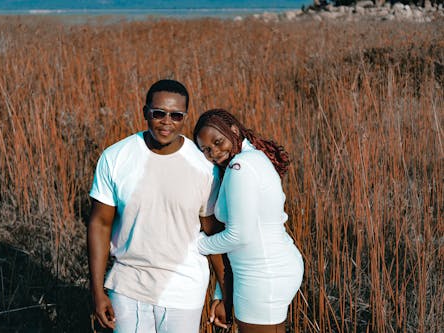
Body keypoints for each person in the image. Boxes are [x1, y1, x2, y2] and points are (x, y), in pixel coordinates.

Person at [87, 79, 224, 333]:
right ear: (145, 112)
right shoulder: (116, 157)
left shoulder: (204, 167)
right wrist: (97, 291)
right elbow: (99, 224)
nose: (166, 121)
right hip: (127, 286)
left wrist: (224, 293)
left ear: (185, 117)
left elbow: (213, 234)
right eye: (158, 113)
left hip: (184, 289)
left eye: (176, 115)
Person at [193, 109, 304, 333]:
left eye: (218, 142)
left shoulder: (240, 167)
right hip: (261, 270)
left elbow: (239, 235)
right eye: (206, 149)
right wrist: (220, 293)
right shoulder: (249, 159)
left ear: (234, 130)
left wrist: (194, 245)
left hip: (264, 274)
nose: (214, 152)